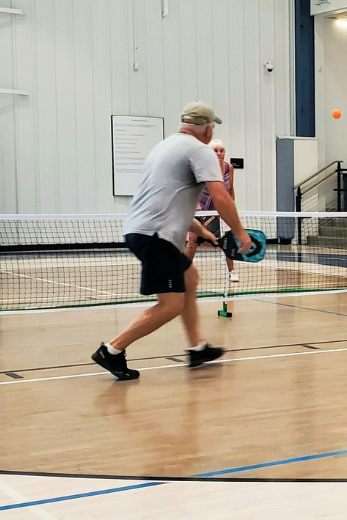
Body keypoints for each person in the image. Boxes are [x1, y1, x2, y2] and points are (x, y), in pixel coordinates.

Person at [92, 102, 252, 380]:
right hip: (157, 236)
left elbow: (166, 199)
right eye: (212, 126)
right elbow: (221, 195)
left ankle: (196, 348)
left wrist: (200, 231)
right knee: (170, 305)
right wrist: (240, 233)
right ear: (207, 128)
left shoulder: (165, 146)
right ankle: (112, 350)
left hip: (144, 229)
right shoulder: (199, 150)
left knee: (189, 280)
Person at [186, 140, 238, 282]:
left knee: (229, 238)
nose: (219, 153)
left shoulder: (229, 168)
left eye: (221, 150)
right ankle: (185, 270)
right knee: (192, 239)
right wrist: (197, 207)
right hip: (201, 208)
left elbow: (231, 188)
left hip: (221, 209)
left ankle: (232, 271)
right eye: (215, 151)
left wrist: (231, 207)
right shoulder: (201, 168)